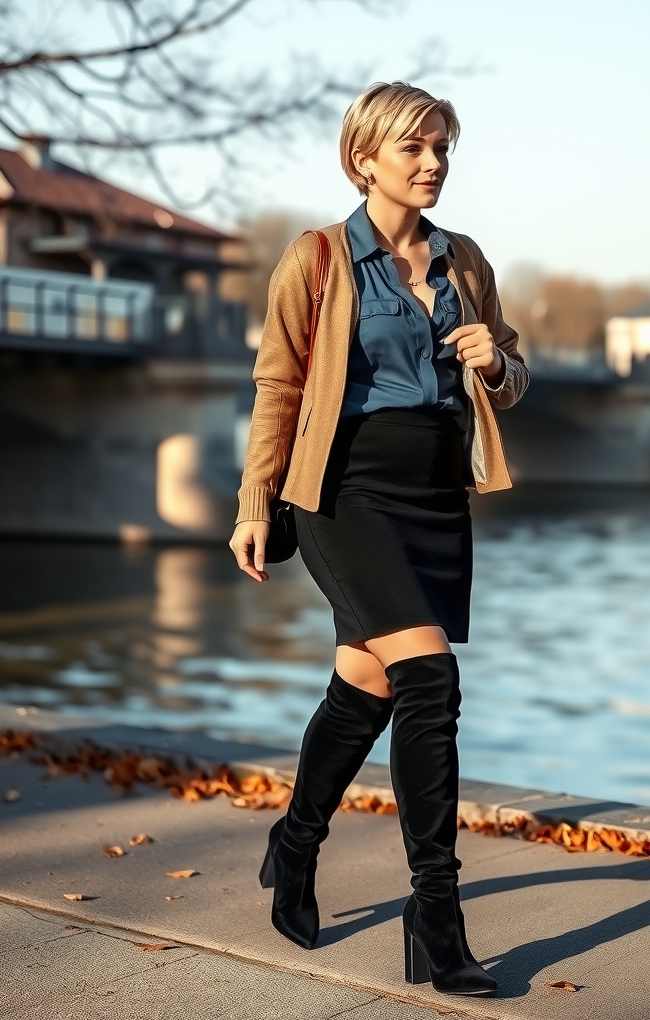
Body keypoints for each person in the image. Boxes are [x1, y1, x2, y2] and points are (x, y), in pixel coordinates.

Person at [229, 81, 528, 998]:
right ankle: (435, 914)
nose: (434, 163)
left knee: (364, 686)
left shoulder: (463, 260)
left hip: (436, 496)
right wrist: (252, 504)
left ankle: (296, 839)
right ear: (365, 158)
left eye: (443, 147)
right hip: (343, 492)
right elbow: (278, 388)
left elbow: (510, 374)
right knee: (428, 678)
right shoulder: (318, 260)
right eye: (415, 149)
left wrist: (498, 364)